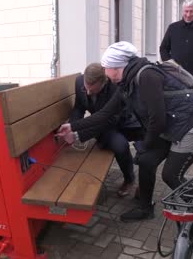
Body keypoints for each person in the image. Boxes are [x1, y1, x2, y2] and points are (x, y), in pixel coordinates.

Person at [58, 41, 193, 222]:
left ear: (116, 68)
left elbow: (157, 120)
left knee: (171, 175)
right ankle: (145, 209)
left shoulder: (146, 76)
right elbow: (105, 113)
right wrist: (73, 127)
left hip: (192, 124)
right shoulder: (126, 82)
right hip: (171, 125)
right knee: (146, 161)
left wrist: (146, 144)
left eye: (106, 68)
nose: (105, 73)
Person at [61, 63, 143, 197]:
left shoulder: (115, 86)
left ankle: (129, 179)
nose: (88, 93)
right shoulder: (79, 81)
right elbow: (79, 107)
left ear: (103, 82)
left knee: (121, 146)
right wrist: (72, 126)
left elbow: (111, 120)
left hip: (119, 123)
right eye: (86, 89)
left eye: (92, 90)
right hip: (98, 125)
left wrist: (79, 135)